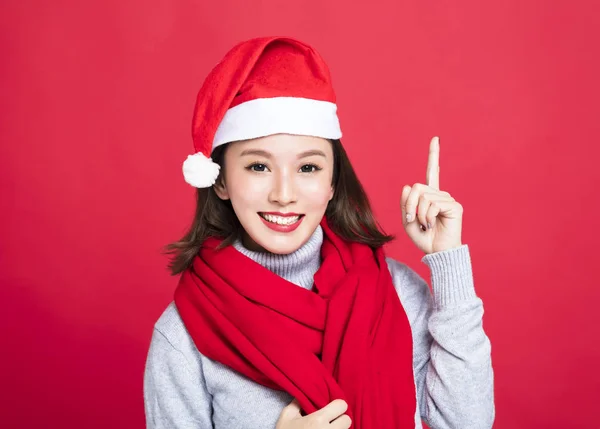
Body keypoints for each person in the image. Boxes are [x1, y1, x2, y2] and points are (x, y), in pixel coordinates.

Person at [143, 36, 495, 429]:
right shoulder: (184, 333)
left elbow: (469, 422)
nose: (284, 194)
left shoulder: (396, 292)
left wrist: (448, 263)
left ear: (332, 183)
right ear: (221, 181)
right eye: (258, 167)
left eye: (308, 168)